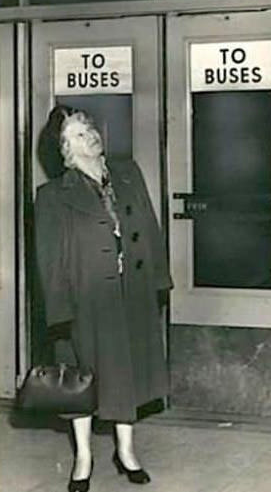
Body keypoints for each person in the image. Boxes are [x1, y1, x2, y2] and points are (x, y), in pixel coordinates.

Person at [34, 106, 172, 491]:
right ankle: (82, 456)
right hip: (85, 298)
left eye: (90, 127)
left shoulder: (129, 174)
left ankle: (126, 451)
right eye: (78, 134)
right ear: (64, 150)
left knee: (129, 372)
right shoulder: (52, 196)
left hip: (133, 292)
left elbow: (151, 226)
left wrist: (160, 279)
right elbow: (49, 258)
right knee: (83, 378)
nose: (90, 136)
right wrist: (58, 310)